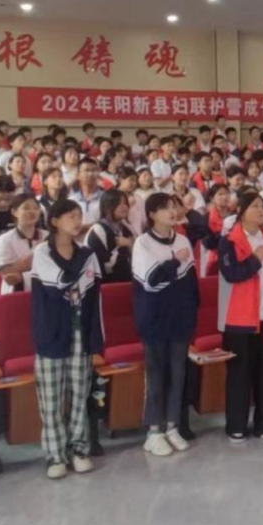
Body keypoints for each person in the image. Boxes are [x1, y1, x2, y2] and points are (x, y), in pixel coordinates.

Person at [30, 199, 104, 479]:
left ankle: (79, 449)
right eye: (70, 216)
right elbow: (58, 284)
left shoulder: (87, 253)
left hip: (80, 332)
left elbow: (92, 291)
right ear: (55, 221)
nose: (77, 220)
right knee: (51, 398)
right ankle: (55, 455)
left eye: (79, 215)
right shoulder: (43, 252)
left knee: (78, 394)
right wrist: (79, 279)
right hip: (51, 331)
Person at [131, 193, 199, 457]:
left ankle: (172, 426)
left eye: (173, 207)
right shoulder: (142, 243)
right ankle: (153, 431)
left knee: (178, 374)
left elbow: (190, 283)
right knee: (156, 375)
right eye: (165, 208)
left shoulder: (182, 240)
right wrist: (175, 261)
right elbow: (151, 281)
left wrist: (191, 315)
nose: (172, 212)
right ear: (151, 214)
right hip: (154, 319)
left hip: (180, 319)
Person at [218, 192, 263, 441]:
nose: (260, 210)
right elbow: (232, 274)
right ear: (242, 211)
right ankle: (236, 424)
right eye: (255, 206)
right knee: (239, 374)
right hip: (238, 318)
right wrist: (255, 259)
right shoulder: (229, 240)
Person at [0, 194, 45, 293]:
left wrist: (22, 274)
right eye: (26, 208)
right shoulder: (4, 240)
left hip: (45, 292)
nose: (32, 211)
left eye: (35, 208)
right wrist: (39, 253)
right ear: (14, 212)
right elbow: (7, 273)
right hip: (15, 294)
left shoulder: (48, 236)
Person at [85, 189, 134, 283]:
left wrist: (130, 245)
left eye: (125, 203)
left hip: (126, 283)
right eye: (118, 203)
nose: (124, 207)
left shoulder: (126, 230)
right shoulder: (98, 231)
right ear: (107, 207)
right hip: (105, 284)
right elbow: (101, 264)